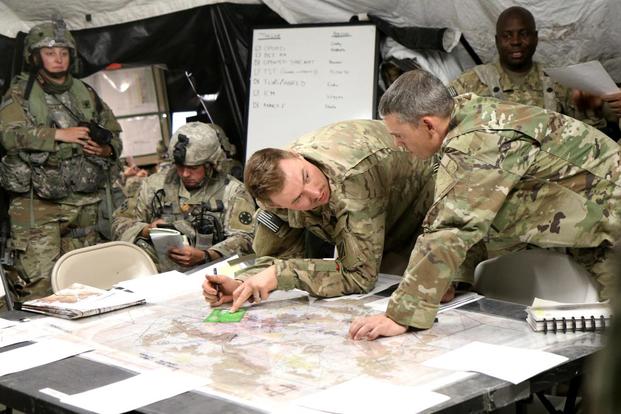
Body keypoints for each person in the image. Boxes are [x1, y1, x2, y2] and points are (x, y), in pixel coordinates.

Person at [348, 69, 621, 341]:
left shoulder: (477, 141)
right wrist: (452, 279)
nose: (397, 145)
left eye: (399, 136)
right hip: (592, 230)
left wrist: (401, 316)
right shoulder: (460, 119)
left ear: (428, 125)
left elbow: (452, 228)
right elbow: (474, 216)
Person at [202, 119, 449, 311]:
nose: (314, 193)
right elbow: (278, 258)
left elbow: (361, 276)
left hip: (425, 204)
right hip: (379, 215)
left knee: (427, 293)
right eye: (298, 199)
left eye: (306, 177)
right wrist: (244, 284)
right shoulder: (275, 196)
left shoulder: (354, 178)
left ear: (297, 156)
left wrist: (281, 275)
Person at [0, 20, 122, 301]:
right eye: (49, 52)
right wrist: (59, 134)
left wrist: (105, 150)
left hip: (85, 203)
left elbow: (114, 137)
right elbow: (9, 136)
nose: (58, 58)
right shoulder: (21, 95)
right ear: (35, 57)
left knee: (89, 282)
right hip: (40, 206)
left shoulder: (86, 94)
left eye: (63, 53)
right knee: (40, 285)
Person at [112, 122, 256, 272]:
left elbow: (245, 239)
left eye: (193, 167)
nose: (185, 174)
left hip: (214, 273)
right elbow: (118, 223)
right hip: (160, 274)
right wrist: (146, 229)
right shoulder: (154, 185)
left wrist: (206, 255)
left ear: (212, 164)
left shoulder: (233, 191)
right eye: (180, 166)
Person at [449, 6, 611, 129]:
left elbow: (591, 130)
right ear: (497, 41)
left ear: (535, 38)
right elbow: (436, 115)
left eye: (523, 34)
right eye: (507, 36)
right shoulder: (472, 82)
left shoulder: (558, 81)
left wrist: (599, 106)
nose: (515, 41)